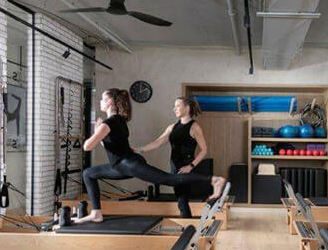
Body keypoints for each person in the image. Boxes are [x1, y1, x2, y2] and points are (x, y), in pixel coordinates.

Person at [77, 89, 226, 223]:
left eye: (102, 99)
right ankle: (96, 213)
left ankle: (214, 180)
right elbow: (113, 146)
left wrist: (96, 131)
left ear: (110, 102)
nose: (100, 102)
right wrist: (140, 149)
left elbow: (87, 146)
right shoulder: (120, 120)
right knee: (89, 173)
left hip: (130, 165)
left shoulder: (108, 124)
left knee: (170, 181)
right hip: (122, 165)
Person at [135, 96, 208, 217]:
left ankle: (187, 224)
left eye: (178, 106)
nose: (174, 109)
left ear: (187, 108)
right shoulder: (172, 127)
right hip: (174, 166)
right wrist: (140, 149)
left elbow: (204, 150)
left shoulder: (195, 127)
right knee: (180, 199)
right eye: (174, 106)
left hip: (186, 167)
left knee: (182, 199)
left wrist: (190, 166)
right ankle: (188, 224)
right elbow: (158, 142)